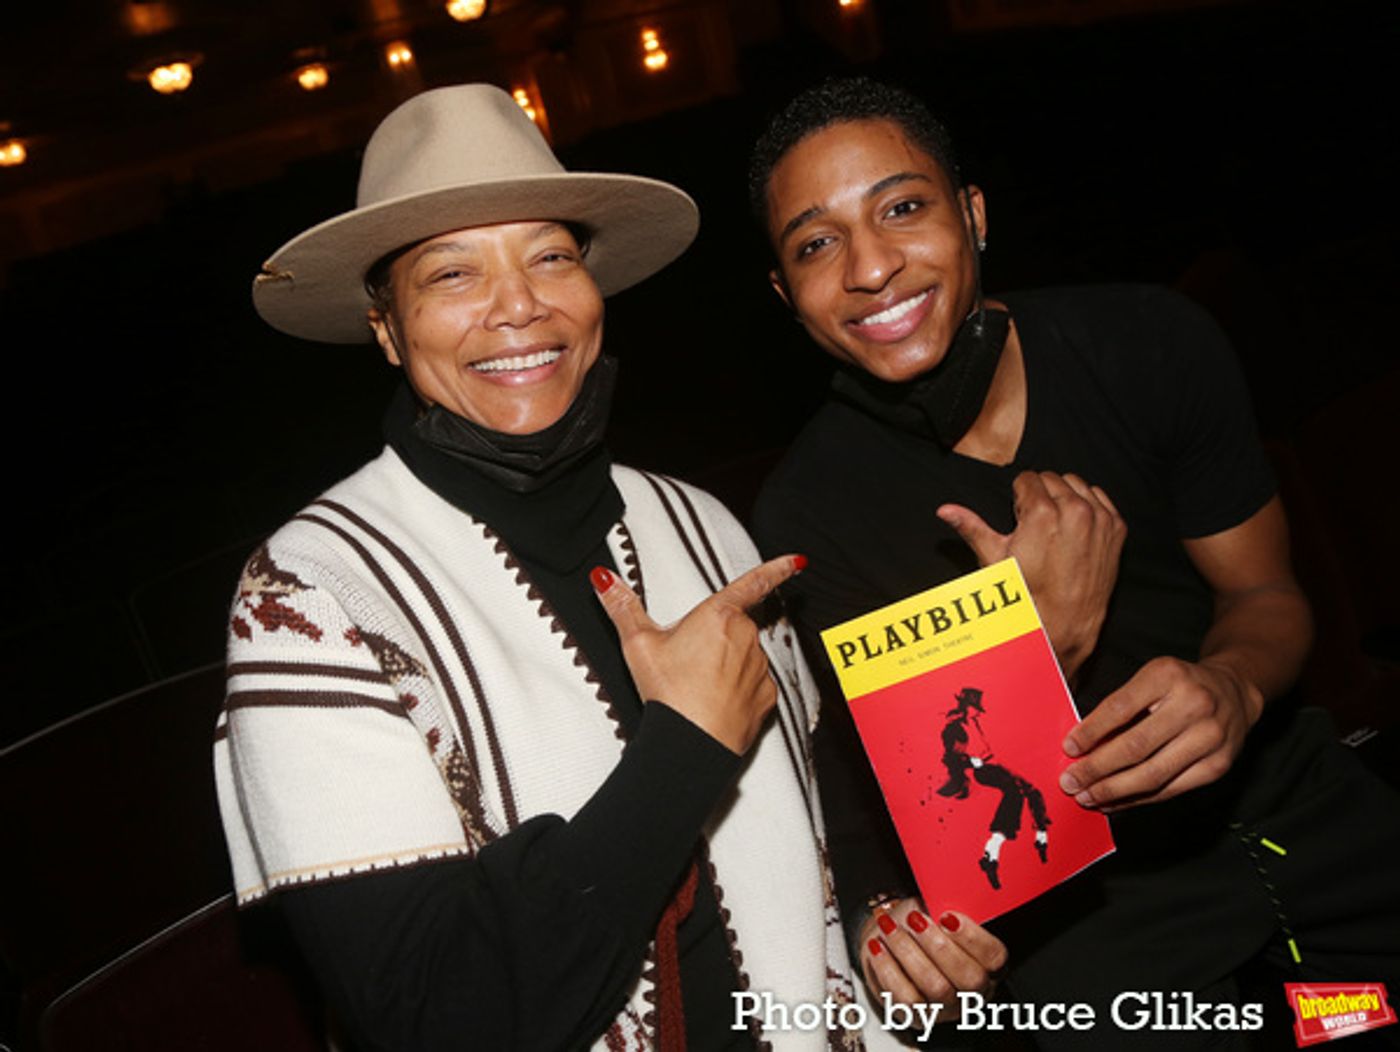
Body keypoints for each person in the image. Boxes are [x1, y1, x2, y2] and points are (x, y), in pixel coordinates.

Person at [215, 83, 871, 1051]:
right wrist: (680, 750)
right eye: (451, 274)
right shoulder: (308, 594)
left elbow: (831, 830)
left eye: (551, 256)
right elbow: (435, 1016)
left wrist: (880, 916)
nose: (518, 305)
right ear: (386, 328)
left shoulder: (703, 526)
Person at [748, 76, 1400, 1047]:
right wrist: (1036, 631)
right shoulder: (809, 511)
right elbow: (929, 812)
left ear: (970, 214)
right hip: (1098, 933)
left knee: (1360, 1021)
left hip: (1313, 843)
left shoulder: (1147, 342)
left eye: (900, 207)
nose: (870, 265)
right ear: (783, 295)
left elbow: (1263, 591)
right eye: (814, 243)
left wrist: (1230, 685)